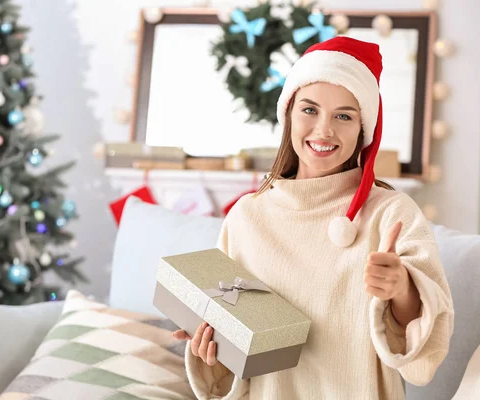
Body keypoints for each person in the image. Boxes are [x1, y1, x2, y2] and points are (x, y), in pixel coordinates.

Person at [172, 36, 454, 400]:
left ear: (363, 130)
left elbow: (425, 354)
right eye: (309, 110)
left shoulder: (391, 213)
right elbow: (237, 358)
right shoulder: (246, 217)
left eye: (344, 116)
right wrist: (211, 348)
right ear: (287, 114)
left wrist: (402, 290)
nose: (324, 130)